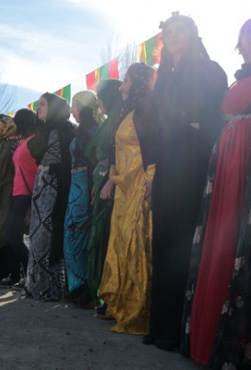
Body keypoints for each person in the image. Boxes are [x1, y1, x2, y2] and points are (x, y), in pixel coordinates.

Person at [181, 16, 251, 369]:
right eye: (249, 31)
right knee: (221, 246)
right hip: (225, 171)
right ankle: (209, 340)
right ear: (238, 43)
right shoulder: (241, 78)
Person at [146, 13, 228, 351]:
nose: (175, 35)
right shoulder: (162, 78)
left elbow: (215, 120)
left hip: (195, 164)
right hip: (167, 167)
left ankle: (181, 329)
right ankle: (159, 324)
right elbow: (153, 129)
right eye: (170, 31)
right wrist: (153, 173)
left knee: (184, 243)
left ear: (194, 36)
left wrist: (190, 128)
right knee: (162, 241)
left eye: (182, 30)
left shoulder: (210, 70)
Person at [98, 63, 156, 335]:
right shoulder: (128, 113)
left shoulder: (148, 110)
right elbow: (117, 153)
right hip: (123, 189)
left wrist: (150, 182)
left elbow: (153, 150)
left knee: (136, 249)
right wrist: (111, 179)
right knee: (120, 246)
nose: (122, 86)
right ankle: (122, 305)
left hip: (139, 189)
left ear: (140, 83)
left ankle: (138, 311)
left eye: (127, 81)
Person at [25, 92, 75, 301]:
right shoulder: (44, 131)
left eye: (43, 104)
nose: (39, 108)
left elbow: (69, 160)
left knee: (49, 234)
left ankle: (51, 288)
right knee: (36, 236)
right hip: (40, 189)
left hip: (55, 188)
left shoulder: (65, 129)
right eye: (38, 105)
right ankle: (34, 284)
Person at [63, 90, 105, 307]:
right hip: (75, 186)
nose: (71, 110)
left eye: (75, 105)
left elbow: (96, 162)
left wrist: (93, 188)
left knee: (80, 235)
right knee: (71, 236)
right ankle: (74, 285)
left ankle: (84, 288)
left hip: (85, 186)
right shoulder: (81, 129)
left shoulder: (93, 130)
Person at [87, 79, 123, 313]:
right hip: (99, 180)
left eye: (100, 97)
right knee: (97, 237)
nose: (97, 102)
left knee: (105, 236)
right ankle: (100, 291)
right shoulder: (108, 121)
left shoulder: (120, 120)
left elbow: (118, 155)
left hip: (112, 182)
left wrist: (109, 180)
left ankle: (108, 295)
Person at [0, 109, 38, 288]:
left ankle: (31, 272)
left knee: (13, 236)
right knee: (11, 236)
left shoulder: (33, 141)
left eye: (15, 122)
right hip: (16, 193)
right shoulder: (22, 141)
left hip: (25, 193)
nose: (13, 126)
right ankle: (16, 275)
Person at [0, 114, 20, 285]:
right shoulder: (0, 145)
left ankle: (9, 270)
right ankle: (1, 269)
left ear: (5, 126)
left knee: (3, 231)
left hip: (7, 192)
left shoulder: (12, 145)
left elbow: (16, 170)